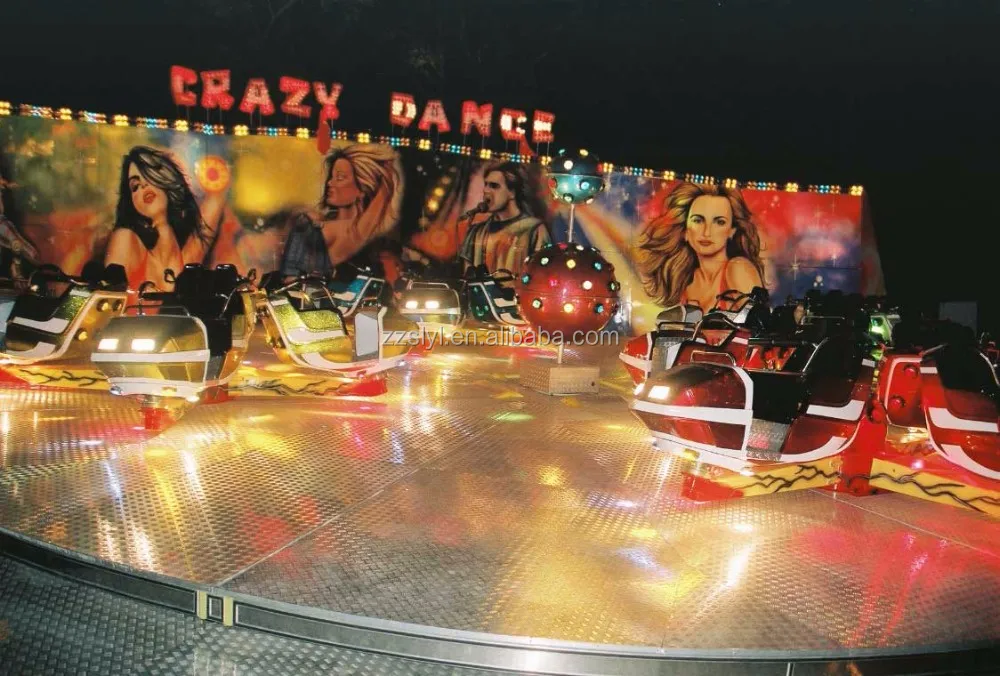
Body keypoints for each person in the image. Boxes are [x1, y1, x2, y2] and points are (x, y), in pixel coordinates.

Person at [104, 146, 225, 291]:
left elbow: (216, 199)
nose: (143, 185)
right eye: (135, 186)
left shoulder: (188, 257)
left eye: (150, 173)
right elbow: (110, 297)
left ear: (166, 179)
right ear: (132, 203)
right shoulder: (126, 239)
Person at [279, 144, 402, 279]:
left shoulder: (355, 231)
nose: (330, 183)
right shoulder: (315, 223)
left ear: (361, 190)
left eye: (340, 178)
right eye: (331, 177)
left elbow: (385, 192)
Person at [637, 182, 765, 311]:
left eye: (719, 222)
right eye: (698, 220)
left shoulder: (738, 268)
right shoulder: (685, 281)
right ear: (685, 231)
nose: (707, 232)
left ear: (732, 231)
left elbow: (761, 321)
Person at [458, 161, 551, 278]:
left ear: (512, 193)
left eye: (494, 186)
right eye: (486, 184)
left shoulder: (535, 229)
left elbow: (543, 272)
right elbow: (467, 275)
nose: (486, 190)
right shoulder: (476, 232)